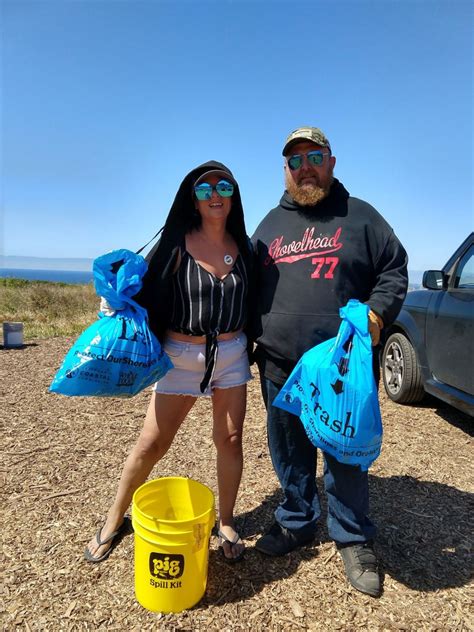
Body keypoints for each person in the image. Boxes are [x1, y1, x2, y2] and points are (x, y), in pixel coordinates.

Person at [251, 127, 408, 597]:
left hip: (342, 368)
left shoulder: (361, 217)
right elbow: (242, 281)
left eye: (314, 156)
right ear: (285, 170)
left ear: (332, 162)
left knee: (344, 452)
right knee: (289, 449)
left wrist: (378, 315)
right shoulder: (269, 226)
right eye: (295, 160)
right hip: (280, 362)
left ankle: (352, 535)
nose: (305, 167)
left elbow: (394, 269)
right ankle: (297, 520)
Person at [85, 161, 254, 564]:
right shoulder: (175, 244)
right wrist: (115, 300)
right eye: (204, 189)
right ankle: (113, 518)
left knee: (230, 440)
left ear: (233, 196)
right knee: (153, 443)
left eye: (224, 187)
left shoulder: (245, 247)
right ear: (192, 200)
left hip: (231, 355)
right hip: (180, 356)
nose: (215, 195)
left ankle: (226, 520)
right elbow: (140, 286)